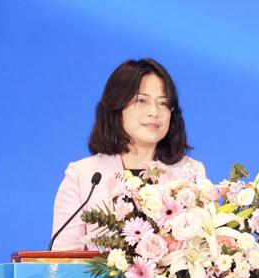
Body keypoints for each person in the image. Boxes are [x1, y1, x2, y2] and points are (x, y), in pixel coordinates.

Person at [51, 58, 206, 250]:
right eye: (142, 100)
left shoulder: (191, 172)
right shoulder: (83, 176)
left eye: (163, 103)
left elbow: (204, 250)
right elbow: (63, 258)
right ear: (117, 106)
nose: (154, 112)